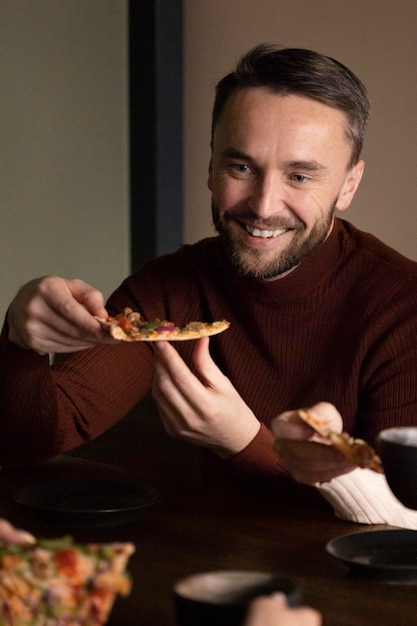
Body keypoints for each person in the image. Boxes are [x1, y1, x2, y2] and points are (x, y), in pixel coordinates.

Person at [2, 45, 417, 527]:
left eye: (300, 176)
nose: (264, 205)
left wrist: (241, 439)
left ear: (348, 185)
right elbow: (23, 447)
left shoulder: (404, 307)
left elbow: (406, 522)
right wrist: (19, 340)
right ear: (211, 167)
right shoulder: (167, 291)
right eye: (241, 168)